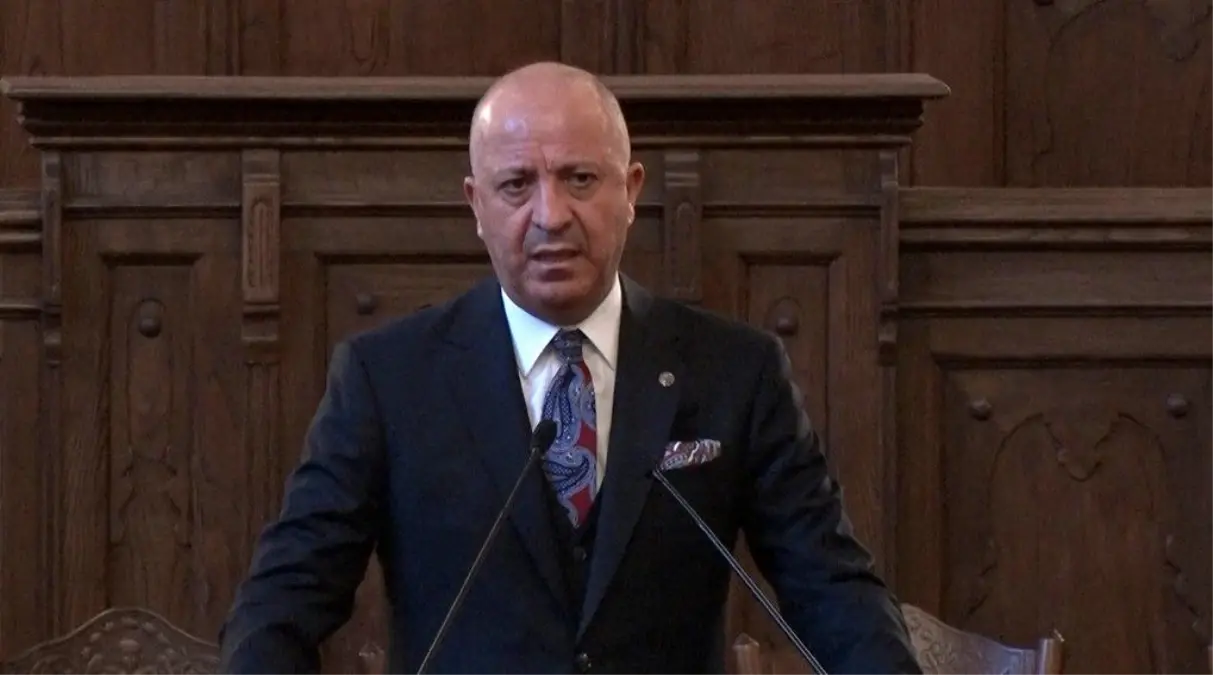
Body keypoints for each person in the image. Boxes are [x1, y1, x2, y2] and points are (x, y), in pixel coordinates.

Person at [219, 61, 921, 675]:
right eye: (516, 185)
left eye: (579, 179)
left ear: (631, 189)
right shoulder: (389, 379)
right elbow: (283, 601)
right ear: (476, 205)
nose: (550, 215)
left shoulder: (735, 371)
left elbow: (832, 590)